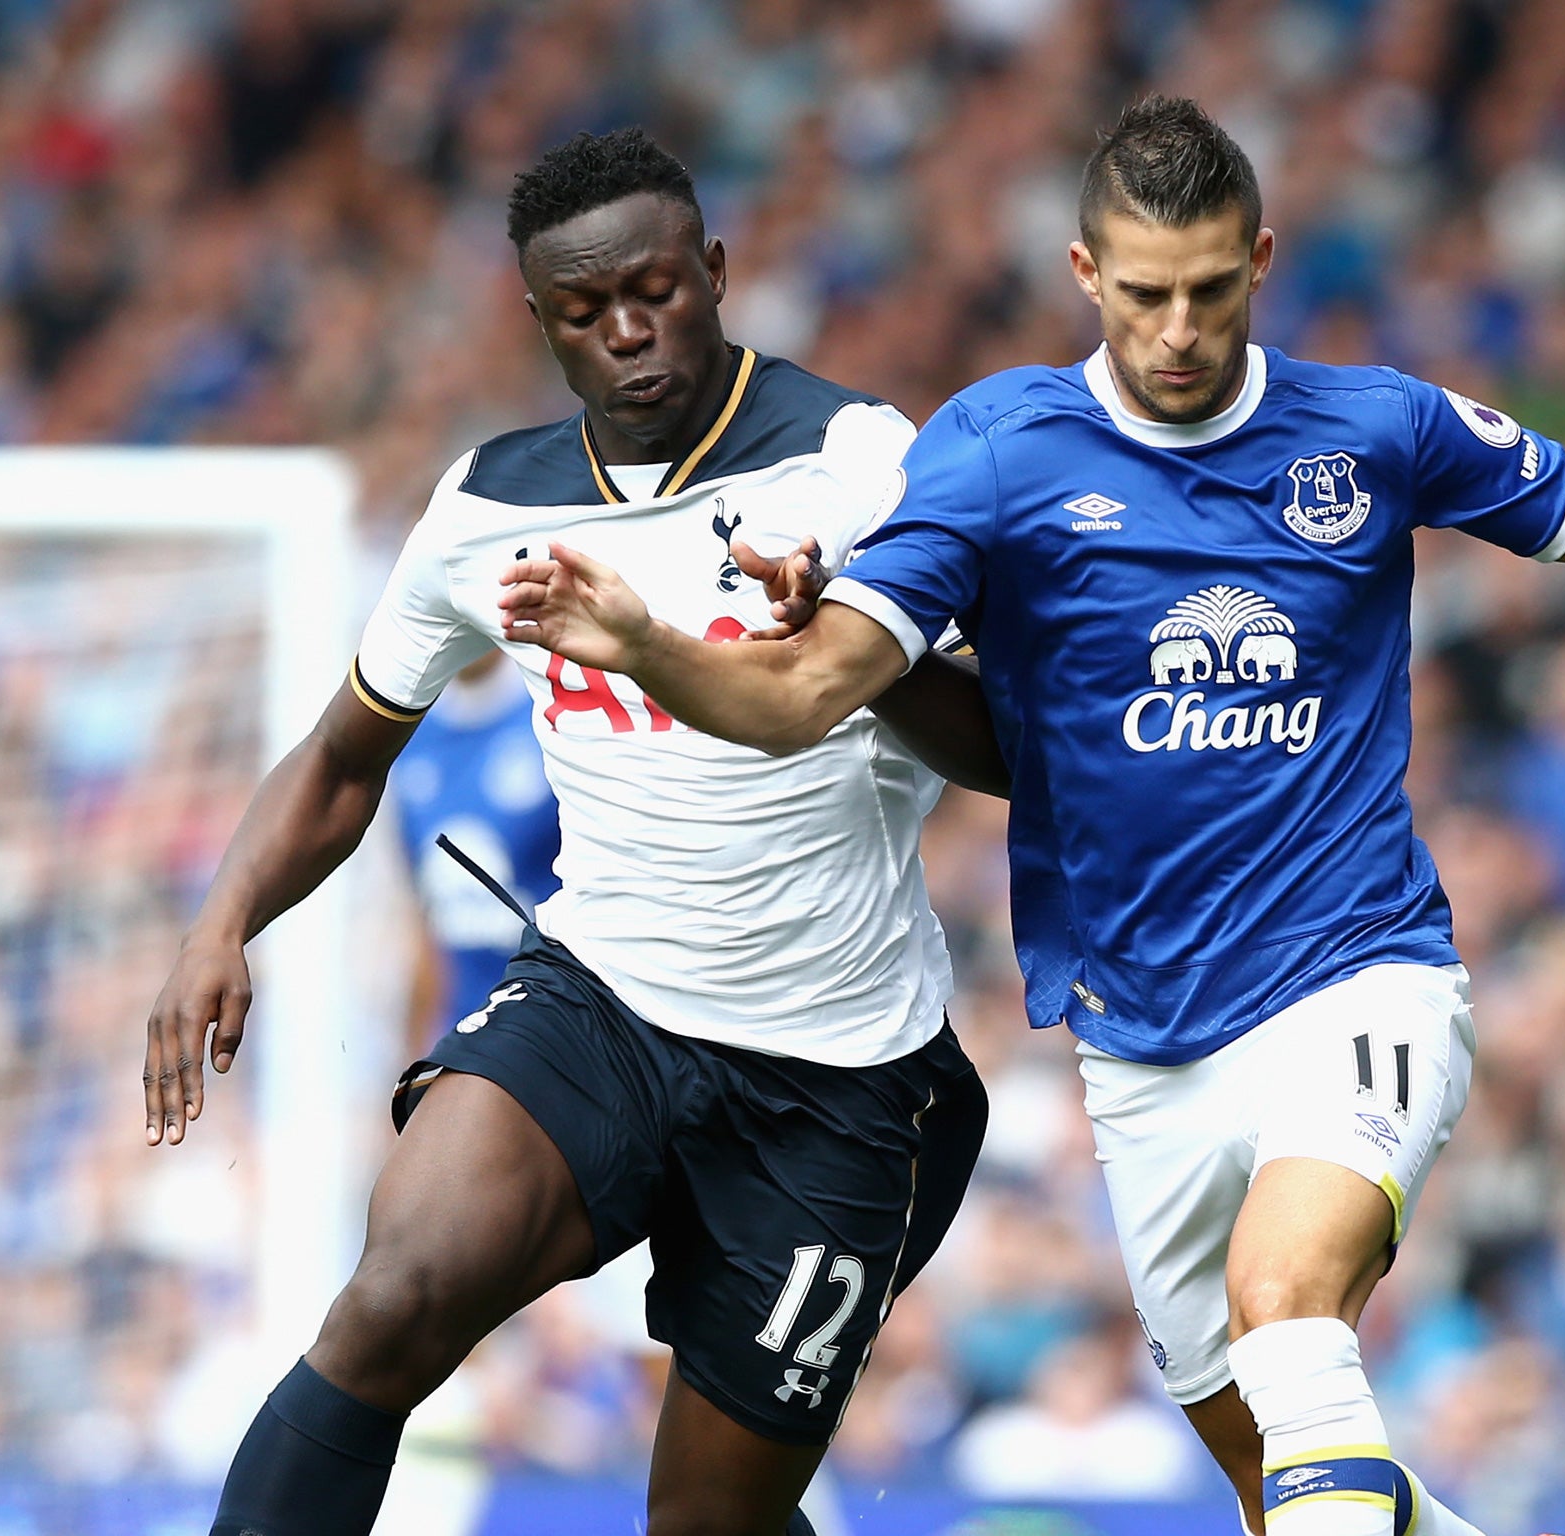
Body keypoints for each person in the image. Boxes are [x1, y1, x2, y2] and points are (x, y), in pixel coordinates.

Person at [497, 97, 1565, 1536]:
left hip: (1358, 972)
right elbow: (813, 695)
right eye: (1148, 294)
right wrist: (656, 646)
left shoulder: (1373, 429)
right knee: (1277, 1466)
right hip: (1142, 1039)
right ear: (1086, 274)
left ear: (1264, 262)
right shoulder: (997, 451)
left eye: (1213, 291)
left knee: (1287, 1311)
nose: (1179, 331)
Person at [141, 126, 994, 1536]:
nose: (629, 333)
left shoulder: (854, 466)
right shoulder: (489, 505)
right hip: (604, 1004)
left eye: (655, 290)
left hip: (838, 1074)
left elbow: (1013, 752)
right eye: (586, 313)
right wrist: (220, 921)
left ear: (717, 273)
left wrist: (869, 653)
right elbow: (350, 755)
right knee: (392, 1301)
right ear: (540, 322)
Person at [389, 650, 560, 1056]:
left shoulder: (556, 718)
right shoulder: (410, 745)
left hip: (561, 1031)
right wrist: (411, 1061)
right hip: (465, 1038)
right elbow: (425, 925)